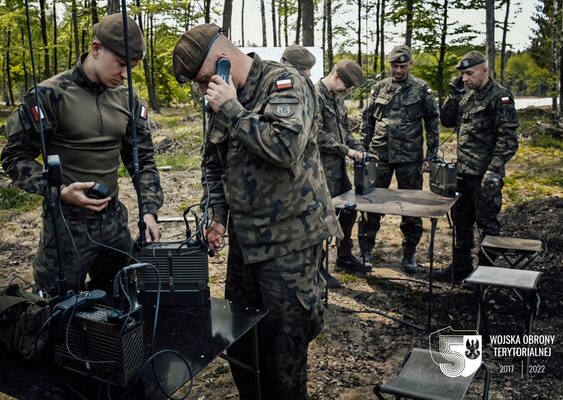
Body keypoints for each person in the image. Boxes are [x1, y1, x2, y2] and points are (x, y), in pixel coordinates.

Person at [172, 24, 341, 399]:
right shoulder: (220, 98)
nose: (204, 90)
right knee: (241, 343)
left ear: (221, 61)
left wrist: (232, 108)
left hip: (290, 243)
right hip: (246, 245)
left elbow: (285, 148)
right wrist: (216, 214)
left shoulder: (286, 83)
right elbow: (211, 163)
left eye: (204, 80)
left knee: (284, 349)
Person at [1, 13, 163, 297]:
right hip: (65, 227)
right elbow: (14, 157)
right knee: (57, 312)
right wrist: (58, 190)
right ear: (96, 48)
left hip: (114, 225)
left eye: (133, 67)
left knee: (120, 306)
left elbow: (143, 161)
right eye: (122, 64)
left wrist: (149, 211)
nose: (126, 74)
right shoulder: (49, 96)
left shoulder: (129, 100)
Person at [433, 50, 518, 283]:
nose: (465, 79)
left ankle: (486, 274)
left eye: (469, 74)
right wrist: (453, 94)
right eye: (462, 75)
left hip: (484, 175)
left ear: (485, 71)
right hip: (462, 174)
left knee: (487, 226)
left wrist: (494, 169)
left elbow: (508, 139)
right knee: (461, 223)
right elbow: (447, 120)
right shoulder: (467, 97)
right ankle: (460, 268)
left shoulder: (500, 97)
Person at [360, 44, 440, 273]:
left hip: (410, 156)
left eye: (402, 66)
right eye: (395, 66)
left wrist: (431, 154)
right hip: (380, 154)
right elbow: (368, 121)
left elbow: (433, 122)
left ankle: (409, 254)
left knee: (411, 206)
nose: (398, 70)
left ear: (410, 65)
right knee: (371, 202)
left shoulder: (421, 89)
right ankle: (366, 250)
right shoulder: (379, 88)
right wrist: (363, 151)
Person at [317, 59, 373, 277]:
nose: (347, 91)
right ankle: (318, 268)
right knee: (321, 220)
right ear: (336, 75)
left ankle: (344, 256)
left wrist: (358, 147)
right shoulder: (314, 96)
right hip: (319, 171)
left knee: (349, 210)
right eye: (347, 86)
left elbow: (345, 132)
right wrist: (346, 151)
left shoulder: (337, 100)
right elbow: (316, 135)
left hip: (338, 170)